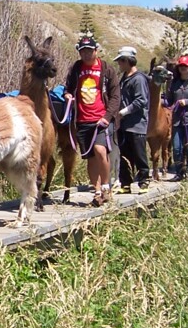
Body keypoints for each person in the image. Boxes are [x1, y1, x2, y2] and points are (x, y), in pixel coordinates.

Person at [64, 35, 121, 206]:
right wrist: (67, 95)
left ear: (96, 51)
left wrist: (107, 117)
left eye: (89, 51)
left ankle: (105, 187)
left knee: (100, 150)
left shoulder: (107, 69)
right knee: (90, 157)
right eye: (83, 51)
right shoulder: (76, 68)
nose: (86, 54)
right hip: (82, 120)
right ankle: (96, 191)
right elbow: (68, 88)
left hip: (101, 120)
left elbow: (115, 97)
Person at [112, 46, 150, 194]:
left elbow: (141, 100)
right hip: (124, 125)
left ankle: (144, 181)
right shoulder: (124, 78)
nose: (119, 64)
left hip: (136, 124)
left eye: (121, 61)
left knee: (139, 153)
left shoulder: (138, 79)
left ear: (128, 61)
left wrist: (124, 111)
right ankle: (126, 184)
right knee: (125, 154)